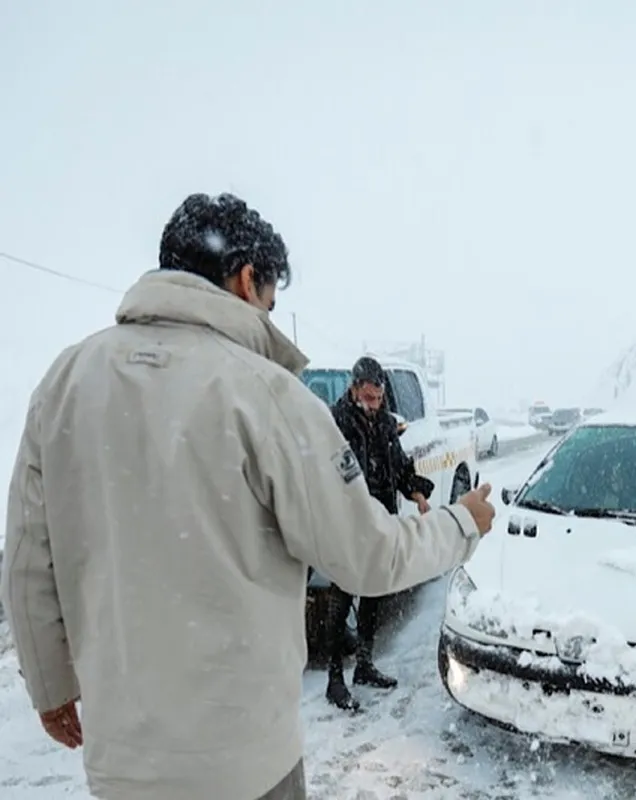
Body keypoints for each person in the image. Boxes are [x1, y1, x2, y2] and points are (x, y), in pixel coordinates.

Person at [0, 192, 496, 800]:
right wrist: (460, 523)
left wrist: (50, 686)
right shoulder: (268, 396)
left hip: (120, 764)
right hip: (245, 765)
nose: (266, 316)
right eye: (269, 299)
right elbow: (369, 555)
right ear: (243, 278)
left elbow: (28, 557)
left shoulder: (65, 382)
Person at [322, 356, 434, 711]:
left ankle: (365, 664)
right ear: (354, 390)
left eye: (377, 399)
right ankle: (334, 678)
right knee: (341, 601)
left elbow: (398, 465)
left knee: (374, 592)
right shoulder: (334, 424)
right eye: (367, 398)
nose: (372, 406)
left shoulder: (385, 424)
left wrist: (415, 491)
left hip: (381, 519)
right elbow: (325, 476)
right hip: (348, 523)